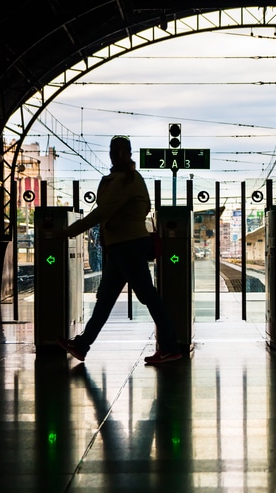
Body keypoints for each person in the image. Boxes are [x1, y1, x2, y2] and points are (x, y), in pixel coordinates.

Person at [57, 135, 181, 365]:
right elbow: (142, 207)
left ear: (115, 154)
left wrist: (68, 231)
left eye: (117, 151)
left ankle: (170, 347)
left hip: (128, 246)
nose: (116, 155)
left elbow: (102, 212)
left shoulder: (125, 180)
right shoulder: (128, 178)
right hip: (121, 246)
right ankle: (82, 345)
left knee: (148, 296)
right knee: (107, 299)